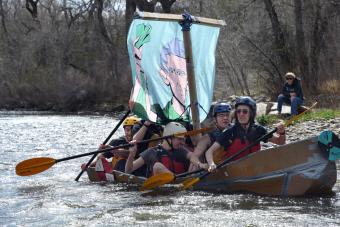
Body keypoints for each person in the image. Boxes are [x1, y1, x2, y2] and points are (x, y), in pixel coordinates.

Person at [206, 96, 286, 172]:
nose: (241, 114)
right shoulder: (230, 132)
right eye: (238, 111)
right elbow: (209, 151)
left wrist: (282, 132)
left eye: (245, 111)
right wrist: (211, 164)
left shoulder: (259, 130)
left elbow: (280, 142)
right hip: (234, 170)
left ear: (251, 113)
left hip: (254, 168)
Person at [125, 122, 195, 177]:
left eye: (183, 140)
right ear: (168, 138)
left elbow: (193, 156)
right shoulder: (152, 152)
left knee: (195, 160)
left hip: (181, 184)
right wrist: (131, 154)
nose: (183, 143)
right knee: (157, 166)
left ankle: (188, 178)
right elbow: (128, 170)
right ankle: (177, 180)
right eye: (180, 139)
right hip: (161, 187)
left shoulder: (182, 151)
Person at [190, 102, 232, 170]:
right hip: (213, 170)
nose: (225, 118)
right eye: (221, 115)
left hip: (232, 167)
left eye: (227, 115)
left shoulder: (235, 130)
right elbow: (193, 158)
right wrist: (202, 165)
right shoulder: (208, 137)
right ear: (215, 119)